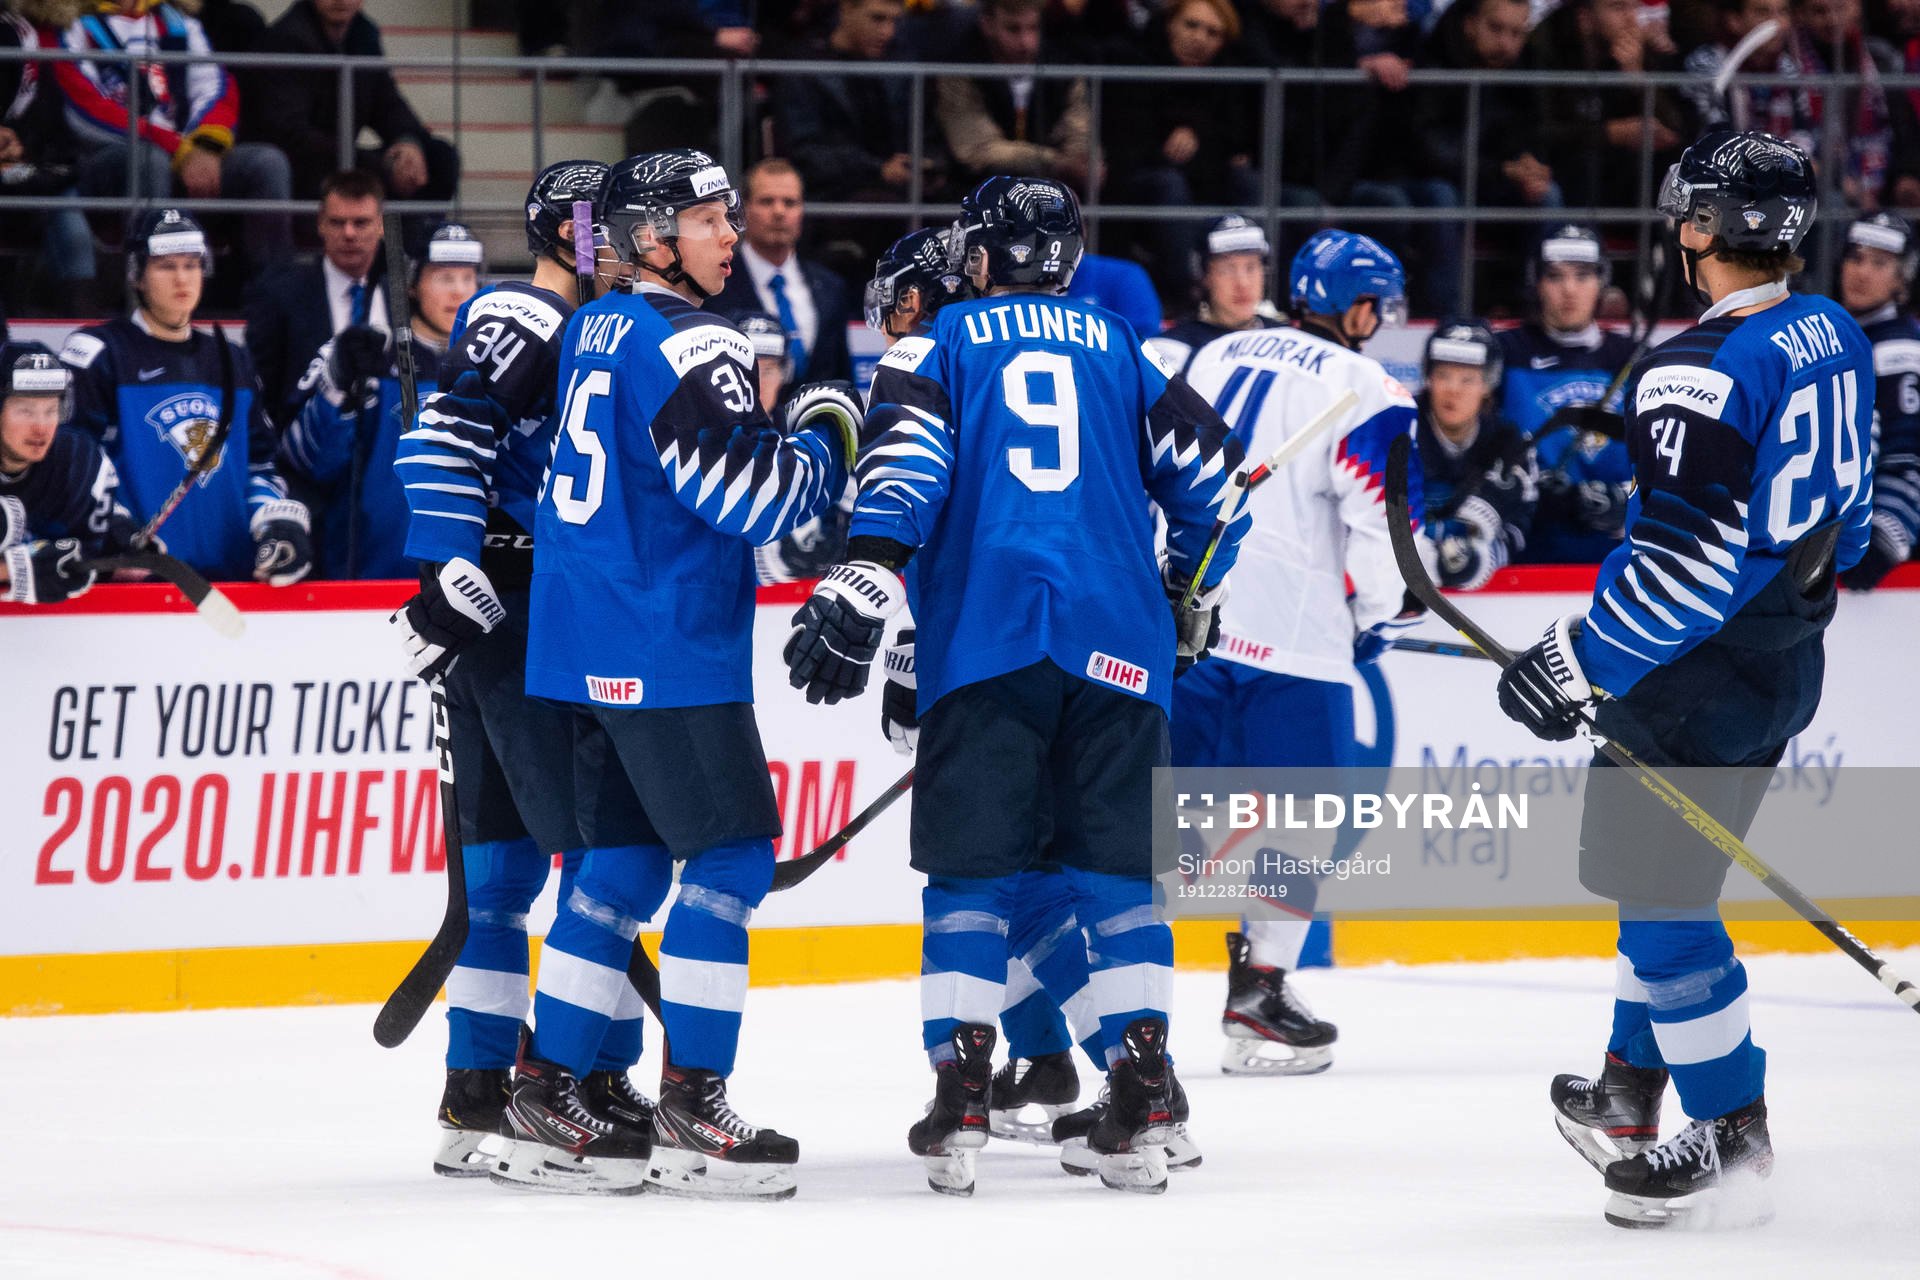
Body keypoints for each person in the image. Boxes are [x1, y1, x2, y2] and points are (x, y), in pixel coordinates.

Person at [785, 176, 1249, 1196]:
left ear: (981, 258)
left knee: (972, 879)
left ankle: (961, 1089)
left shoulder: (938, 344)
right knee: (1120, 879)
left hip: (990, 639)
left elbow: (905, 472)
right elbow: (1219, 493)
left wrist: (867, 572)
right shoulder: (1125, 345)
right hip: (1121, 645)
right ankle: (1142, 1087)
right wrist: (1187, 593)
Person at [1506, 131, 1873, 1230]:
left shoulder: (1697, 367)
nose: (1680, 231)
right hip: (1780, 659)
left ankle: (1731, 1125)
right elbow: (1841, 532)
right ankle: (1630, 1080)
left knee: (1663, 907)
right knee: (1662, 884)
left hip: (1692, 678)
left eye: (1688, 214)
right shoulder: (1834, 329)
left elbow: (1680, 575)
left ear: (1706, 229)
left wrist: (1576, 664)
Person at [515, 149, 861, 1200]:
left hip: (582, 641)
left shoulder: (595, 322)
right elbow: (747, 501)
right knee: (730, 862)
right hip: (666, 646)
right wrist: (826, 436)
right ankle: (692, 1101)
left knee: (618, 870)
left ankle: (542, 1087)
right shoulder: (694, 336)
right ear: (656, 237)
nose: (728, 236)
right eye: (710, 220)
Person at [385, 161, 645, 1183]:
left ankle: (478, 1089)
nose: (631, 245)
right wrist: (451, 565)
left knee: (500, 878)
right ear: (578, 236)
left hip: (507, 607)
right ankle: (581, 1081)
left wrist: (454, 572)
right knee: (593, 858)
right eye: (615, 231)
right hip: (525, 611)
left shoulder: (591, 325)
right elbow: (447, 434)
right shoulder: (532, 315)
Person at [1178, 229, 1421, 1077]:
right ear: (1358, 308)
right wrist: (1377, 615)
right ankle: (1261, 991)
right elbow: (1382, 529)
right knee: (1302, 821)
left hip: (1187, 624)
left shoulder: (1212, 355)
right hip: (1294, 640)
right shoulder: (1368, 386)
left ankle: (1088, 1009)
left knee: (1141, 824)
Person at [59, 208, 309, 585]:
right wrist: (113, 527)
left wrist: (275, 523)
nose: (182, 279)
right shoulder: (100, 353)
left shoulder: (232, 359)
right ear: (136, 274)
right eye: (166, 266)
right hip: (138, 586)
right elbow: (71, 462)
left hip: (233, 583)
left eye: (192, 265)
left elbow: (259, 466)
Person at [277, 223, 482, 580]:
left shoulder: (494, 364)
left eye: (467, 277)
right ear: (413, 284)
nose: (458, 291)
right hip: (369, 575)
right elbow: (305, 460)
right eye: (444, 277)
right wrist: (337, 386)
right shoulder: (366, 356)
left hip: (465, 581)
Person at [52, 0, 293, 282]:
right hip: (106, 161)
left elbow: (216, 88)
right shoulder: (72, 26)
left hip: (184, 152)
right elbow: (87, 111)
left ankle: (274, 295)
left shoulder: (180, 24)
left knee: (266, 163)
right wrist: (180, 150)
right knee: (149, 160)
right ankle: (152, 294)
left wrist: (206, 146)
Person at [1496, 224, 1637, 563]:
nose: (1569, 290)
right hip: (1526, 555)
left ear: (1602, 281)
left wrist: (1625, 500)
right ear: (1537, 283)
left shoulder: (1634, 359)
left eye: (1582, 276)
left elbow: (1665, 460)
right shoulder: (1504, 353)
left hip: (1615, 560)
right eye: (1556, 276)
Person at [249, 0, 460, 207]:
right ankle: (390, 239)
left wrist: (408, 143)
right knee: (380, 174)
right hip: (303, 164)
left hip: (345, 156)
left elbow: (387, 103)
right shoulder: (285, 39)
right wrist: (374, 162)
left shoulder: (364, 34)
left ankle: (414, 239)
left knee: (439, 157)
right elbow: (289, 133)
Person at [246, 170, 391, 425]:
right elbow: (260, 390)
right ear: (320, 223)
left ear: (380, 225)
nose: (348, 233)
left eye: (360, 222)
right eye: (337, 222)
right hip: (304, 452)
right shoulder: (279, 294)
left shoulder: (403, 298)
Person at [0, 342, 133, 604]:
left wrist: (126, 551)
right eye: (25, 411)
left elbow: (94, 548)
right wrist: (10, 570)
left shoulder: (79, 462)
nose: (41, 427)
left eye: (51, 411)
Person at [705, 159, 854, 385]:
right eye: (766, 201)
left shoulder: (831, 286)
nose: (779, 212)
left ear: (802, 209)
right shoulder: (712, 284)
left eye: (790, 202)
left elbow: (842, 376)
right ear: (744, 208)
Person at [1417, 320, 1538, 590]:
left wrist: (1483, 557)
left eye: (1467, 379)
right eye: (1443, 375)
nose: (1453, 390)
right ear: (1429, 377)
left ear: (1488, 385)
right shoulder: (1399, 432)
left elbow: (1521, 524)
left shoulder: (1510, 444)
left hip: (1479, 600)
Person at [1833, 211, 1920, 588]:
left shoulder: (1897, 349)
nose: (1862, 272)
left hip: (1867, 561)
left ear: (1904, 279)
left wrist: (1883, 538)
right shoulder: (1835, 337)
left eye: (1880, 263)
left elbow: (1910, 461)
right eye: (1855, 257)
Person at [935, 0, 1100, 194]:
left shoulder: (1065, 70)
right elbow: (977, 150)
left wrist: (1081, 164)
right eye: (1013, 29)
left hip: (1052, 191)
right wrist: (1056, 163)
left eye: (1033, 28)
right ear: (987, 25)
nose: (1026, 43)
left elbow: (1079, 138)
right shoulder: (961, 70)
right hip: (976, 191)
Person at [1146, 214, 1284, 376]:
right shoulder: (1171, 348)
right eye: (1227, 270)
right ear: (1204, 276)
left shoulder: (1288, 339)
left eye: (1251, 267)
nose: (1243, 283)